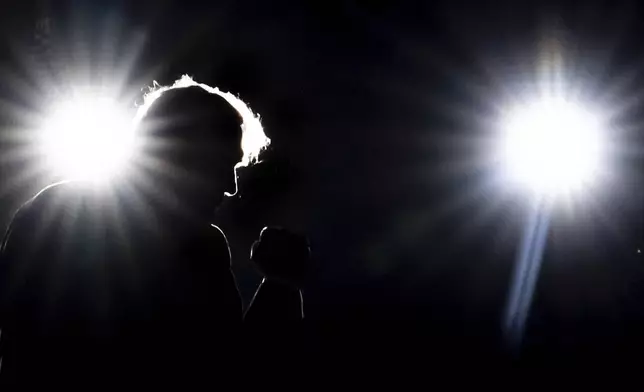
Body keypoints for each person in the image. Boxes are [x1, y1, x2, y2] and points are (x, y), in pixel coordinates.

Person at [0, 76, 309, 388]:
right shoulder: (199, 247)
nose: (231, 187)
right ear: (183, 155)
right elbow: (231, 372)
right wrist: (280, 284)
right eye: (222, 165)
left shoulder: (51, 211)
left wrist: (278, 284)